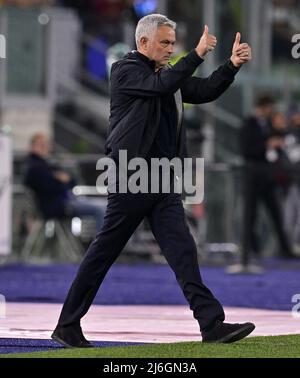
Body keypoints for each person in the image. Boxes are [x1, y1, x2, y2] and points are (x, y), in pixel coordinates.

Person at [51, 14, 255, 348]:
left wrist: (231, 65)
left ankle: (211, 324)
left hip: (161, 178)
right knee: (103, 254)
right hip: (131, 174)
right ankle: (67, 324)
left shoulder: (166, 74)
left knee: (183, 251)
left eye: (173, 43)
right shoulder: (125, 70)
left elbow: (203, 91)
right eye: (165, 43)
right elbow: (162, 85)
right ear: (143, 42)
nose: (170, 49)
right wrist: (197, 55)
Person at [241, 96, 295, 258]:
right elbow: (247, 150)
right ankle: (250, 251)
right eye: (269, 107)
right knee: (251, 216)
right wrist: (266, 145)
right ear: (262, 107)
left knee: (276, 215)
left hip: (268, 177)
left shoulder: (271, 124)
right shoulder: (249, 124)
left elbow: (281, 141)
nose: (271, 110)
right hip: (252, 177)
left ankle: (285, 249)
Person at [24, 133, 105, 231]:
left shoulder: (46, 164)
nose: (45, 147)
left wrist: (60, 180)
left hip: (67, 201)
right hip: (58, 206)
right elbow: (50, 188)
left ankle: (119, 243)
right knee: (100, 210)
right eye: (41, 144)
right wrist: (60, 181)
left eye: (46, 144)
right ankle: (104, 245)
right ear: (33, 146)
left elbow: (72, 181)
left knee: (107, 205)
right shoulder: (33, 167)